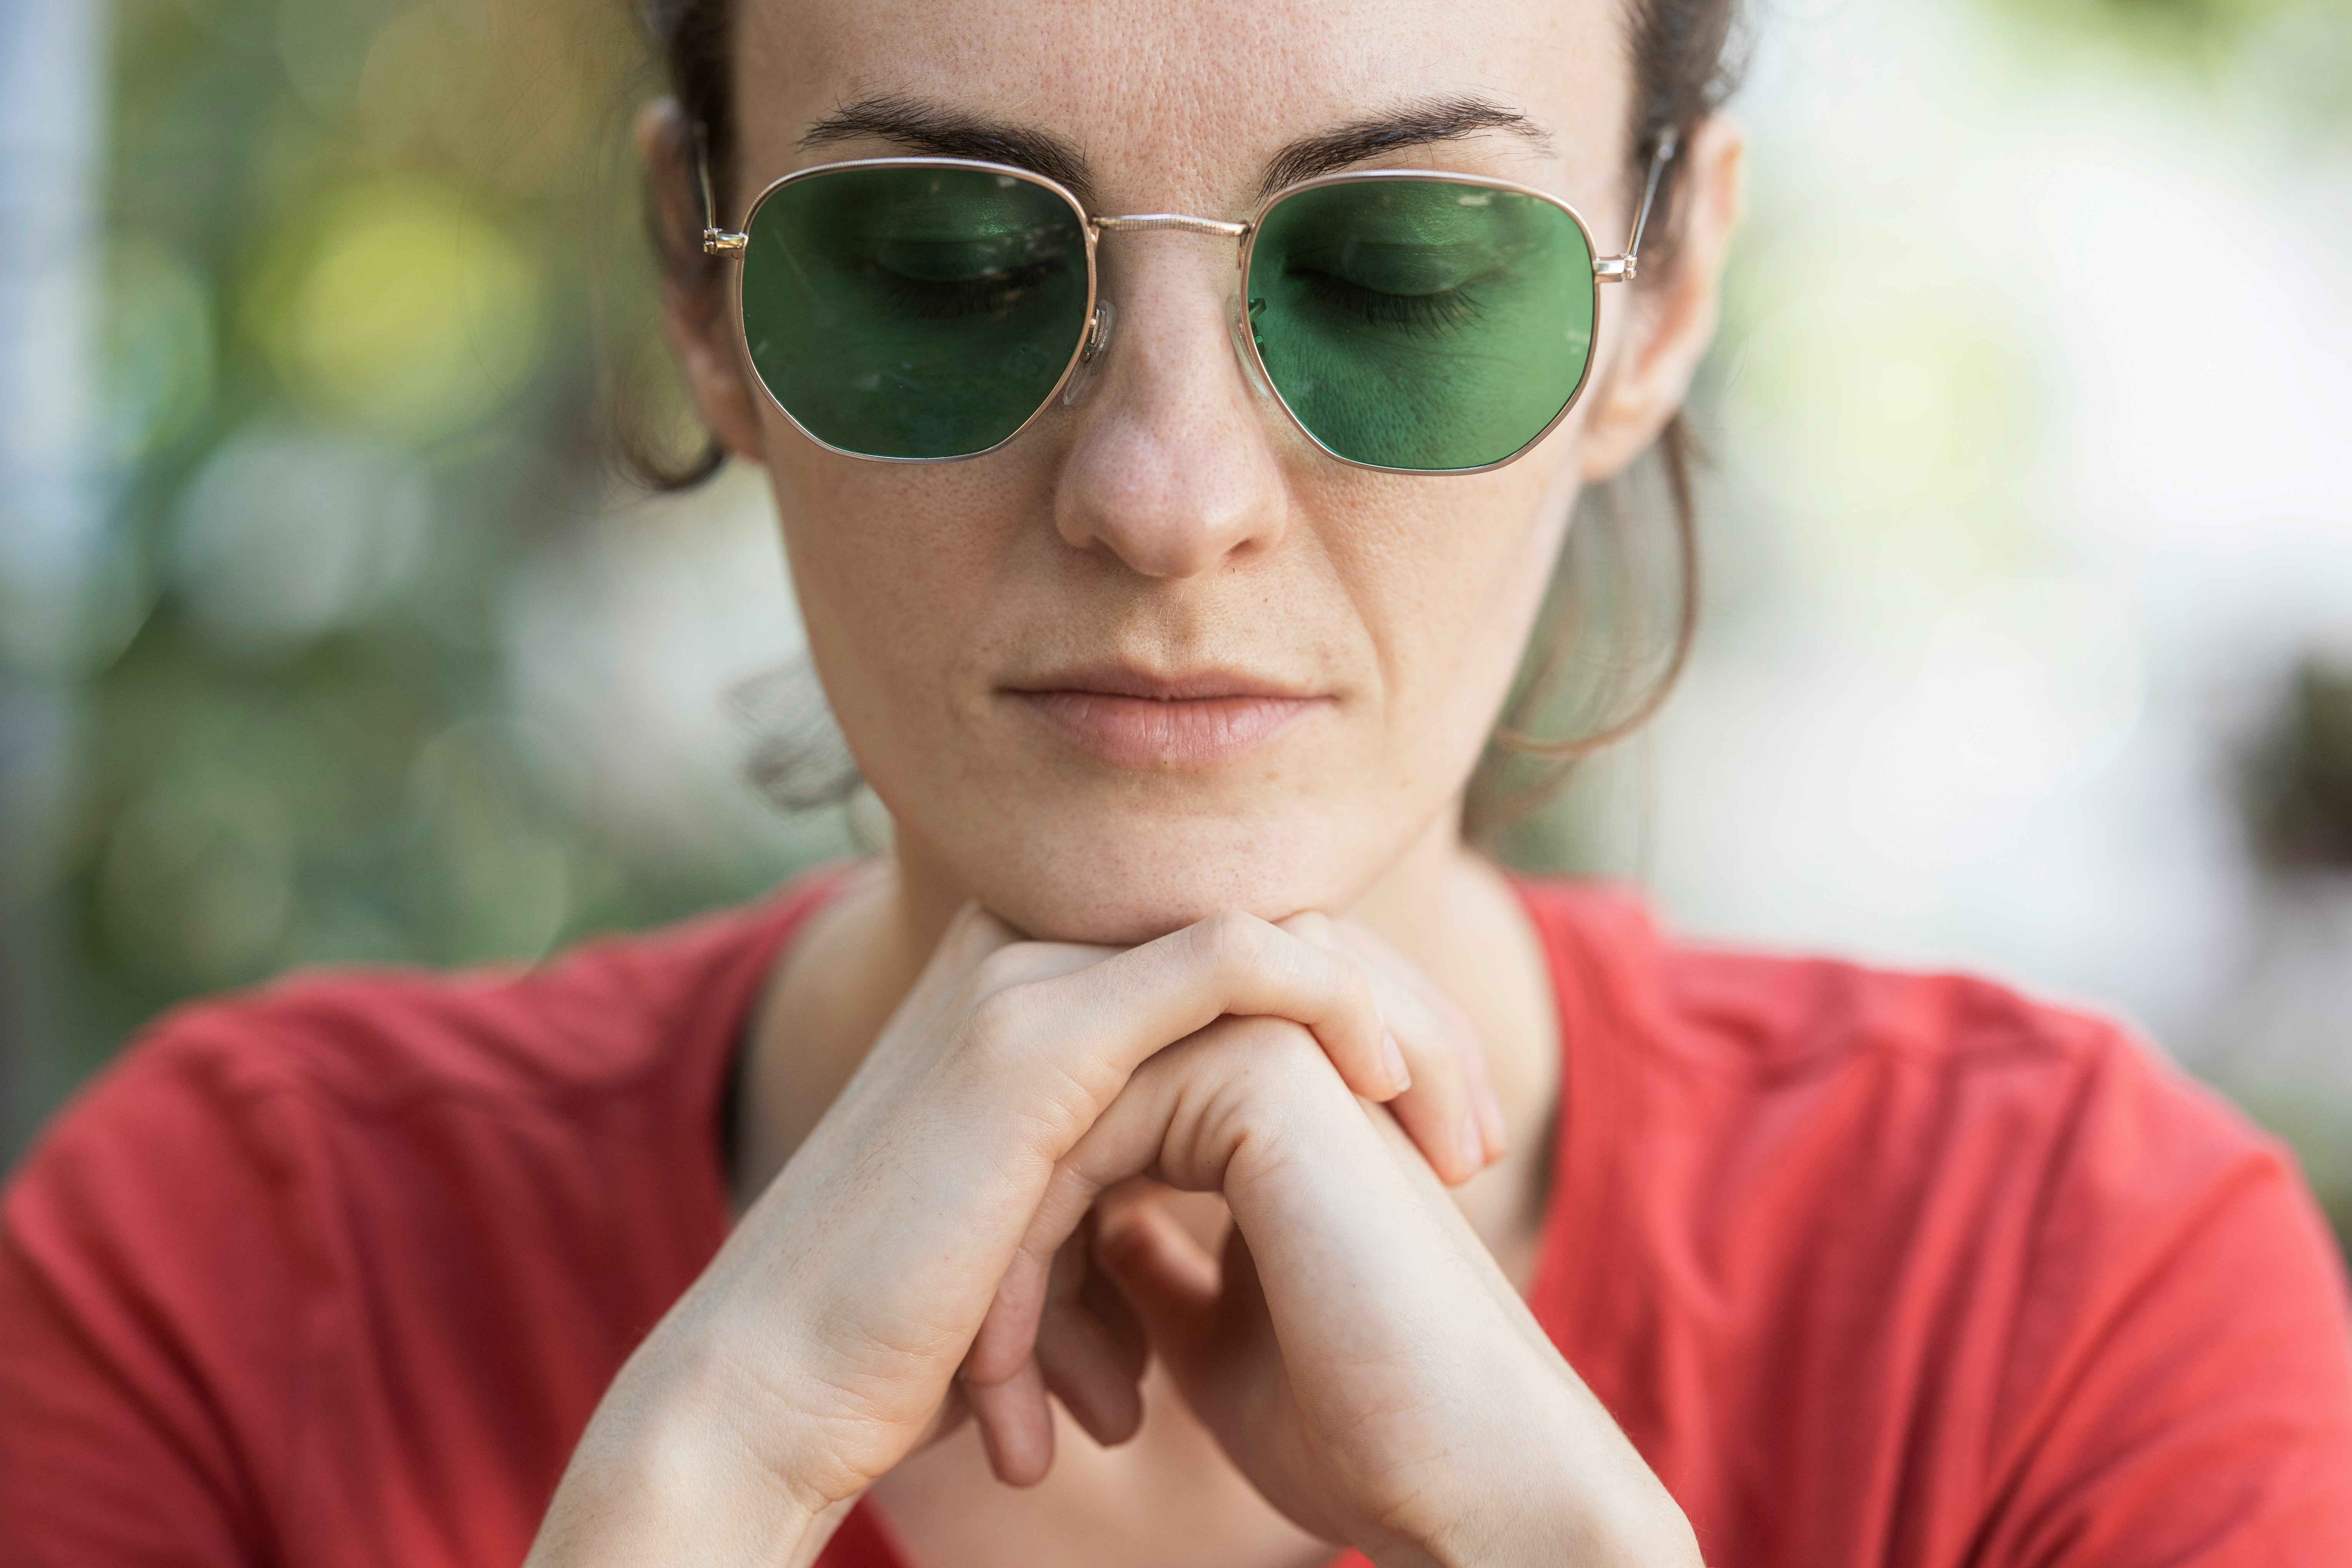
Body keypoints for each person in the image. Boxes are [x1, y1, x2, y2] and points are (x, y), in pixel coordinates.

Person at [6, 0, 2351, 1563]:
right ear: (700, 293)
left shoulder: (2062, 1311)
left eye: (1408, 277)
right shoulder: (233, 1282)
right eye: (932, 268)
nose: (1161, 492)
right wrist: (691, 1489)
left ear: (1660, 297)